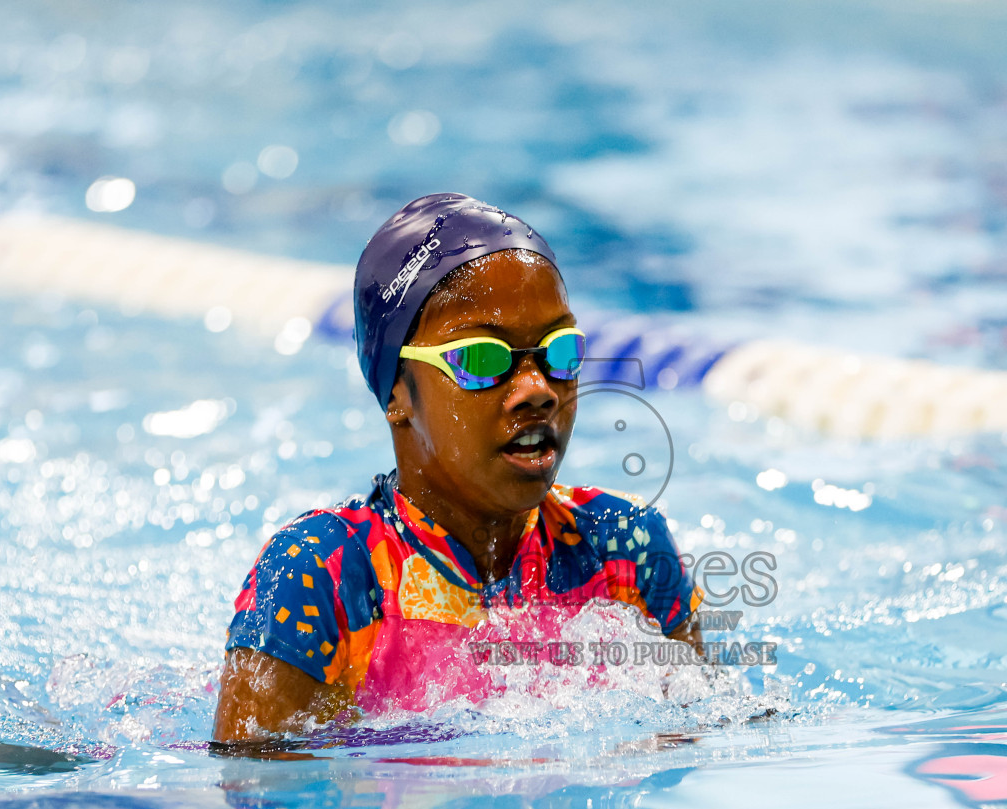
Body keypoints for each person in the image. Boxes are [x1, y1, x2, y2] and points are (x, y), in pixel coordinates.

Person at [213, 193, 702, 743]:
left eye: (559, 352)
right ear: (397, 392)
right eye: (481, 358)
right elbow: (262, 785)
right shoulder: (322, 576)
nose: (538, 390)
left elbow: (693, 746)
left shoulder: (626, 551)